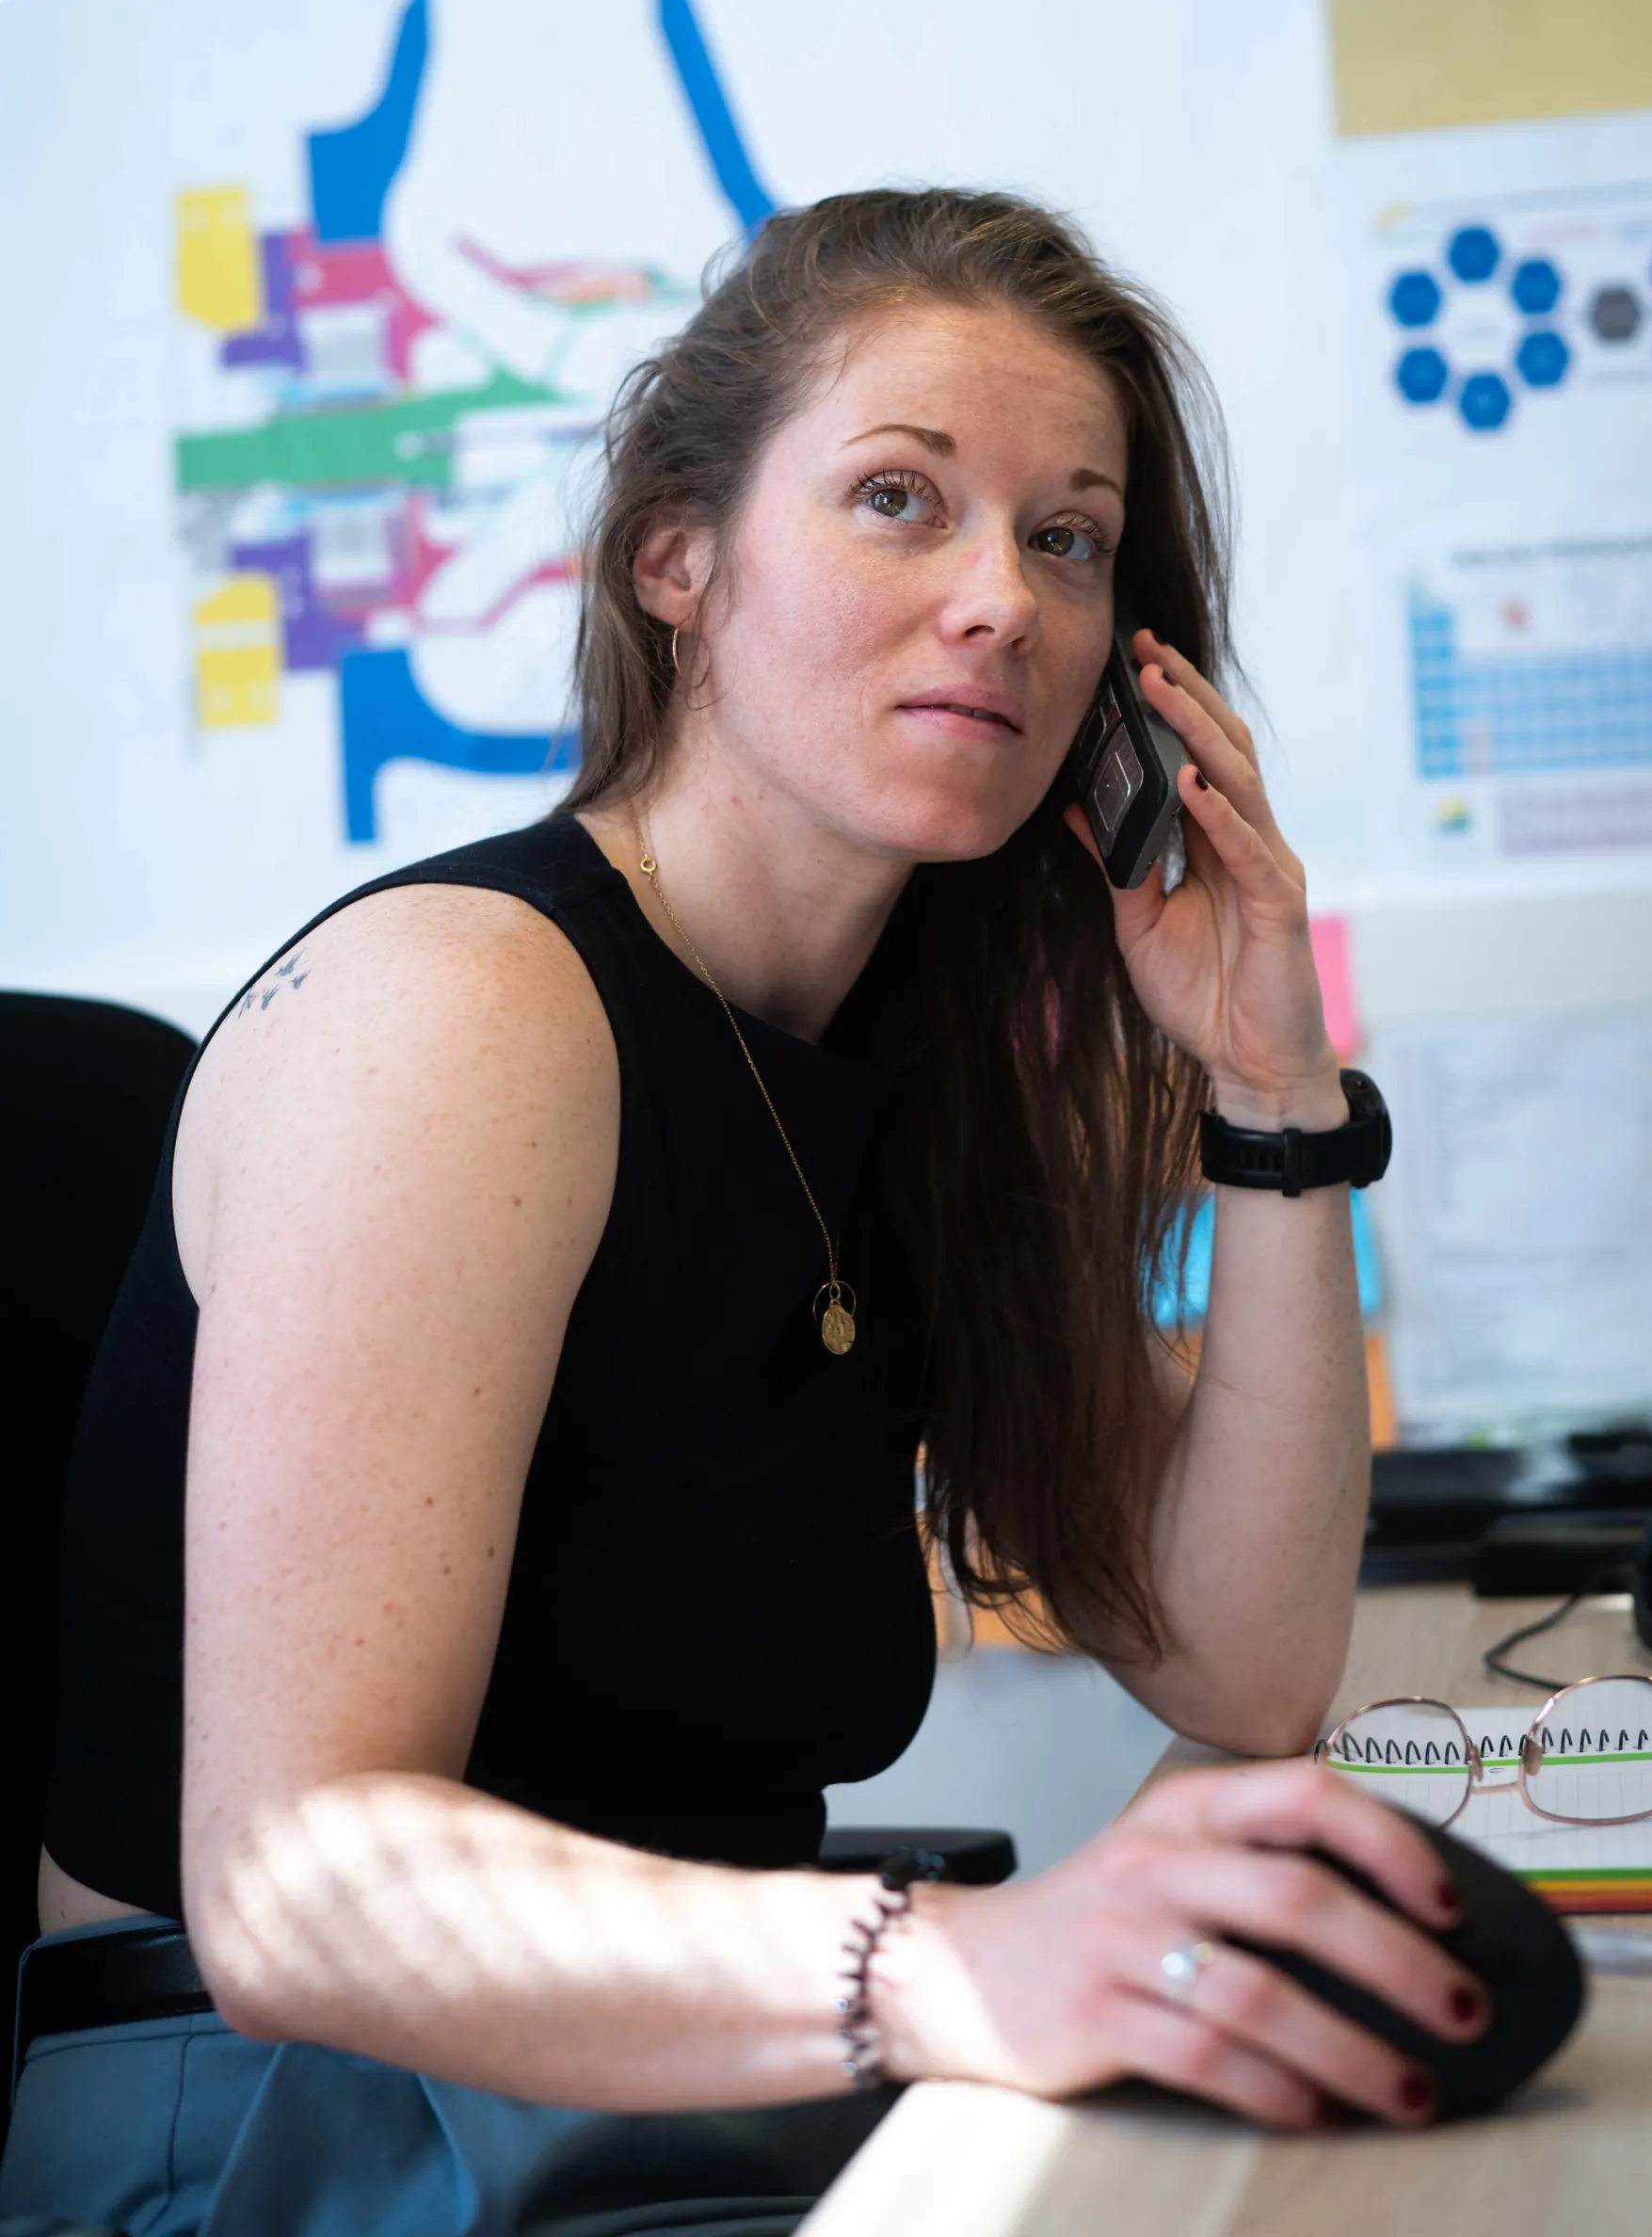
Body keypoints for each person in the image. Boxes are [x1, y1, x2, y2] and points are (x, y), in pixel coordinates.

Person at [6, 190, 1482, 2237]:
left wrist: (1276, 1097)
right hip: (287, 2131)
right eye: (900, 499)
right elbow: (295, 1890)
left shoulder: (916, 1065)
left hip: (666, 2097)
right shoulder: (462, 1010)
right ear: (675, 560)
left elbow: (1245, 1666)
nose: (1002, 601)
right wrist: (957, 1969)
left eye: (1068, 538)